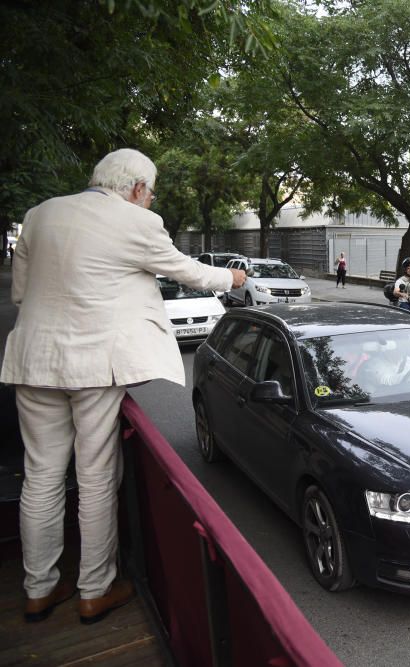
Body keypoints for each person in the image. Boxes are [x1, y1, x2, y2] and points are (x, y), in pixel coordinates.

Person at [1, 148, 245, 624]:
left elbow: (19, 294)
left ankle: (38, 590)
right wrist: (234, 275)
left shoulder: (39, 215)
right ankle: (94, 591)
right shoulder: (135, 222)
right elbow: (190, 273)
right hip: (93, 368)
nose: (150, 203)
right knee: (94, 479)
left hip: (33, 360)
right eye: (150, 194)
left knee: (41, 477)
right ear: (136, 189)